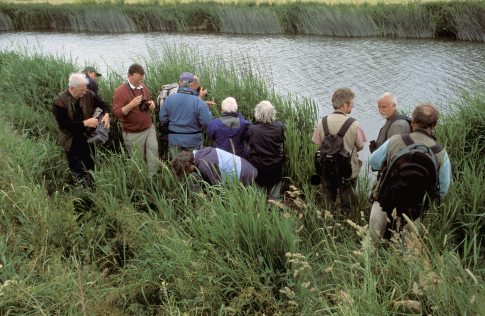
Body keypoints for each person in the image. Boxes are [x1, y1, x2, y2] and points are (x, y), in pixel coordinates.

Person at [368, 103, 451, 241]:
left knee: (372, 244)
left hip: (384, 201)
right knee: (408, 254)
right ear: (434, 125)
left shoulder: (395, 140)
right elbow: (443, 190)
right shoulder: (440, 152)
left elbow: (373, 162)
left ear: (412, 122)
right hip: (415, 210)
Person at [311, 87, 366, 212]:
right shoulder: (354, 124)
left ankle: (327, 221)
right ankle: (346, 222)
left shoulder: (321, 122)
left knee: (327, 201)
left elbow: (317, 143)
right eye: (352, 103)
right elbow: (360, 146)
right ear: (345, 105)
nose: (353, 106)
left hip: (327, 168)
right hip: (348, 171)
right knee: (348, 204)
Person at [52, 73, 110, 185]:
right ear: (71, 88)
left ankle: (93, 191)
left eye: (85, 89)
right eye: (81, 90)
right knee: (78, 172)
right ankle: (82, 196)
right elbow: (64, 125)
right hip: (70, 141)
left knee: (91, 168)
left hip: (88, 138)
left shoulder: (89, 94)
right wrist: (85, 123)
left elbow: (103, 105)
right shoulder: (59, 101)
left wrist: (106, 114)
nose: (84, 92)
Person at [112, 63, 159, 176]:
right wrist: (131, 104)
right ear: (129, 76)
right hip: (133, 133)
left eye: (141, 80)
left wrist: (152, 104)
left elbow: (148, 102)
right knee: (137, 162)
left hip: (148, 129)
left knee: (153, 152)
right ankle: (140, 182)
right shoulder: (121, 91)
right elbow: (117, 113)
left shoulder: (143, 88)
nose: (140, 83)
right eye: (138, 80)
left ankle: (152, 178)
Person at [159, 72, 212, 155]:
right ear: (193, 83)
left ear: (180, 83)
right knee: (193, 166)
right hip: (193, 141)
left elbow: (162, 119)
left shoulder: (169, 99)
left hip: (174, 140)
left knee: (177, 166)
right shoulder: (199, 102)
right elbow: (206, 122)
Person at [245, 100, 285, 200]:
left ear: (257, 113)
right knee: (274, 197)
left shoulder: (252, 129)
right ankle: (273, 209)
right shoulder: (279, 126)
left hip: (257, 167)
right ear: (273, 113)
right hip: (275, 166)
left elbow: (248, 142)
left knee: (258, 196)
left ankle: (260, 209)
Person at [171, 147, 258, 185]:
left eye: (186, 172)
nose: (188, 174)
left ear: (189, 164)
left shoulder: (204, 165)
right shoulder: (200, 153)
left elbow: (217, 188)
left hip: (245, 175)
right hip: (245, 168)